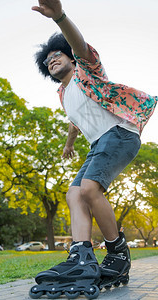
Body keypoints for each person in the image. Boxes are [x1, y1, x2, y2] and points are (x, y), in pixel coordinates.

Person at [30, 0, 157, 296]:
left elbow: (80, 44)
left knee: (89, 189)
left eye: (57, 55)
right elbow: (76, 122)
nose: (52, 61)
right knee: (73, 192)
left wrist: (59, 17)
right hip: (98, 144)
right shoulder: (63, 94)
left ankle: (118, 253)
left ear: (71, 58)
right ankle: (81, 255)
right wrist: (69, 144)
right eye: (47, 62)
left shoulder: (88, 71)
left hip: (120, 133)